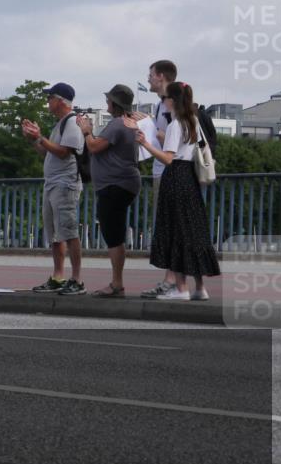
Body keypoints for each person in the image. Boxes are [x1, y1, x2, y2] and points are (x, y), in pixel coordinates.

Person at [136, 82, 220, 301]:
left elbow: (168, 158)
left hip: (175, 178)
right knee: (194, 230)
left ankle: (181, 288)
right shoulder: (193, 120)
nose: (163, 102)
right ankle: (200, 287)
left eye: (165, 98)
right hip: (191, 178)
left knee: (176, 232)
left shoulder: (175, 124)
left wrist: (145, 143)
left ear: (171, 100)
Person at [77, 85, 142, 297]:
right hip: (125, 183)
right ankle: (117, 282)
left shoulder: (117, 124)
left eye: (109, 101)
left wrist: (86, 131)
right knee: (116, 232)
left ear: (115, 103)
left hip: (114, 185)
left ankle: (117, 284)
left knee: (113, 234)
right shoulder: (130, 123)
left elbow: (94, 147)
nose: (106, 104)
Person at [22, 82, 86, 295]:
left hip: (65, 184)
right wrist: (34, 140)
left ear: (60, 101)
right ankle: (58, 276)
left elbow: (64, 152)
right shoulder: (59, 124)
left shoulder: (72, 122)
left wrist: (40, 137)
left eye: (50, 98)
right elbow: (48, 152)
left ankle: (76, 279)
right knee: (55, 234)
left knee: (68, 231)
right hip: (52, 183)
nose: (47, 101)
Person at [139, 59, 179, 298]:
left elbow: (173, 140)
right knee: (167, 227)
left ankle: (173, 281)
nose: (148, 78)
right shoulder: (160, 105)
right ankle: (174, 281)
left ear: (161, 76)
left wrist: (154, 133)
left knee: (172, 227)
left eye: (151, 74)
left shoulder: (174, 105)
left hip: (170, 172)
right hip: (161, 170)